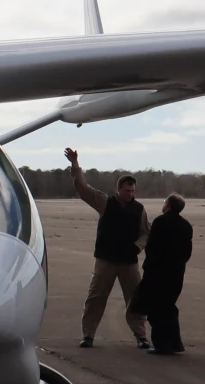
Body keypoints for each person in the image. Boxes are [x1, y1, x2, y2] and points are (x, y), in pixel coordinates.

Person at [65, 148, 150, 349]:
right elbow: (82, 188)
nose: (131, 194)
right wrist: (75, 164)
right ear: (118, 189)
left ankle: (141, 336)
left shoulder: (139, 209)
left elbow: (146, 232)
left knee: (136, 299)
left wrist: (137, 247)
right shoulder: (105, 202)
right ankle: (88, 335)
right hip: (106, 260)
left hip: (128, 262)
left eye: (133, 191)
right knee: (95, 298)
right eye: (127, 191)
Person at [133, 194, 192, 355]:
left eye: (165, 202)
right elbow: (187, 251)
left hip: (157, 273)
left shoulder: (160, 222)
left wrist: (149, 266)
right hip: (176, 273)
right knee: (169, 308)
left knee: (156, 309)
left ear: (169, 205)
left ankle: (161, 344)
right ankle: (175, 343)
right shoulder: (186, 225)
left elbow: (152, 247)